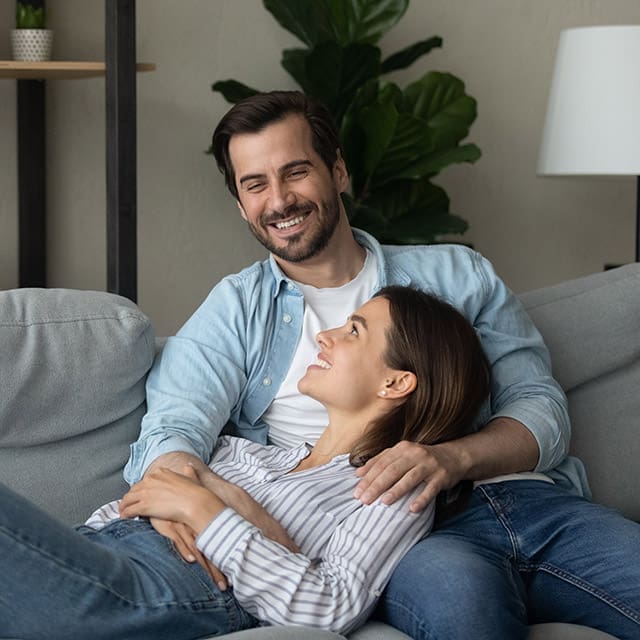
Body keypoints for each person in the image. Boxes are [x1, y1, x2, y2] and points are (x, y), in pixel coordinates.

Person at [125, 91, 640, 639]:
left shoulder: (456, 276)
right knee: (464, 607)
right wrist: (183, 494)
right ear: (241, 203)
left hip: (526, 500)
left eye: (296, 172)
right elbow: (173, 426)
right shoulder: (234, 309)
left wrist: (450, 458)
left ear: (338, 171)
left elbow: (540, 408)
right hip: (401, 531)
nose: (278, 201)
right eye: (255, 185)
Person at [0, 287, 490, 639]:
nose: (326, 337)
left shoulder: (388, 488)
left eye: (353, 332)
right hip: (93, 546)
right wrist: (226, 498)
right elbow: (139, 499)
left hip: (165, 586)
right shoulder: (239, 451)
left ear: (396, 384)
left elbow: (331, 606)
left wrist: (204, 509)